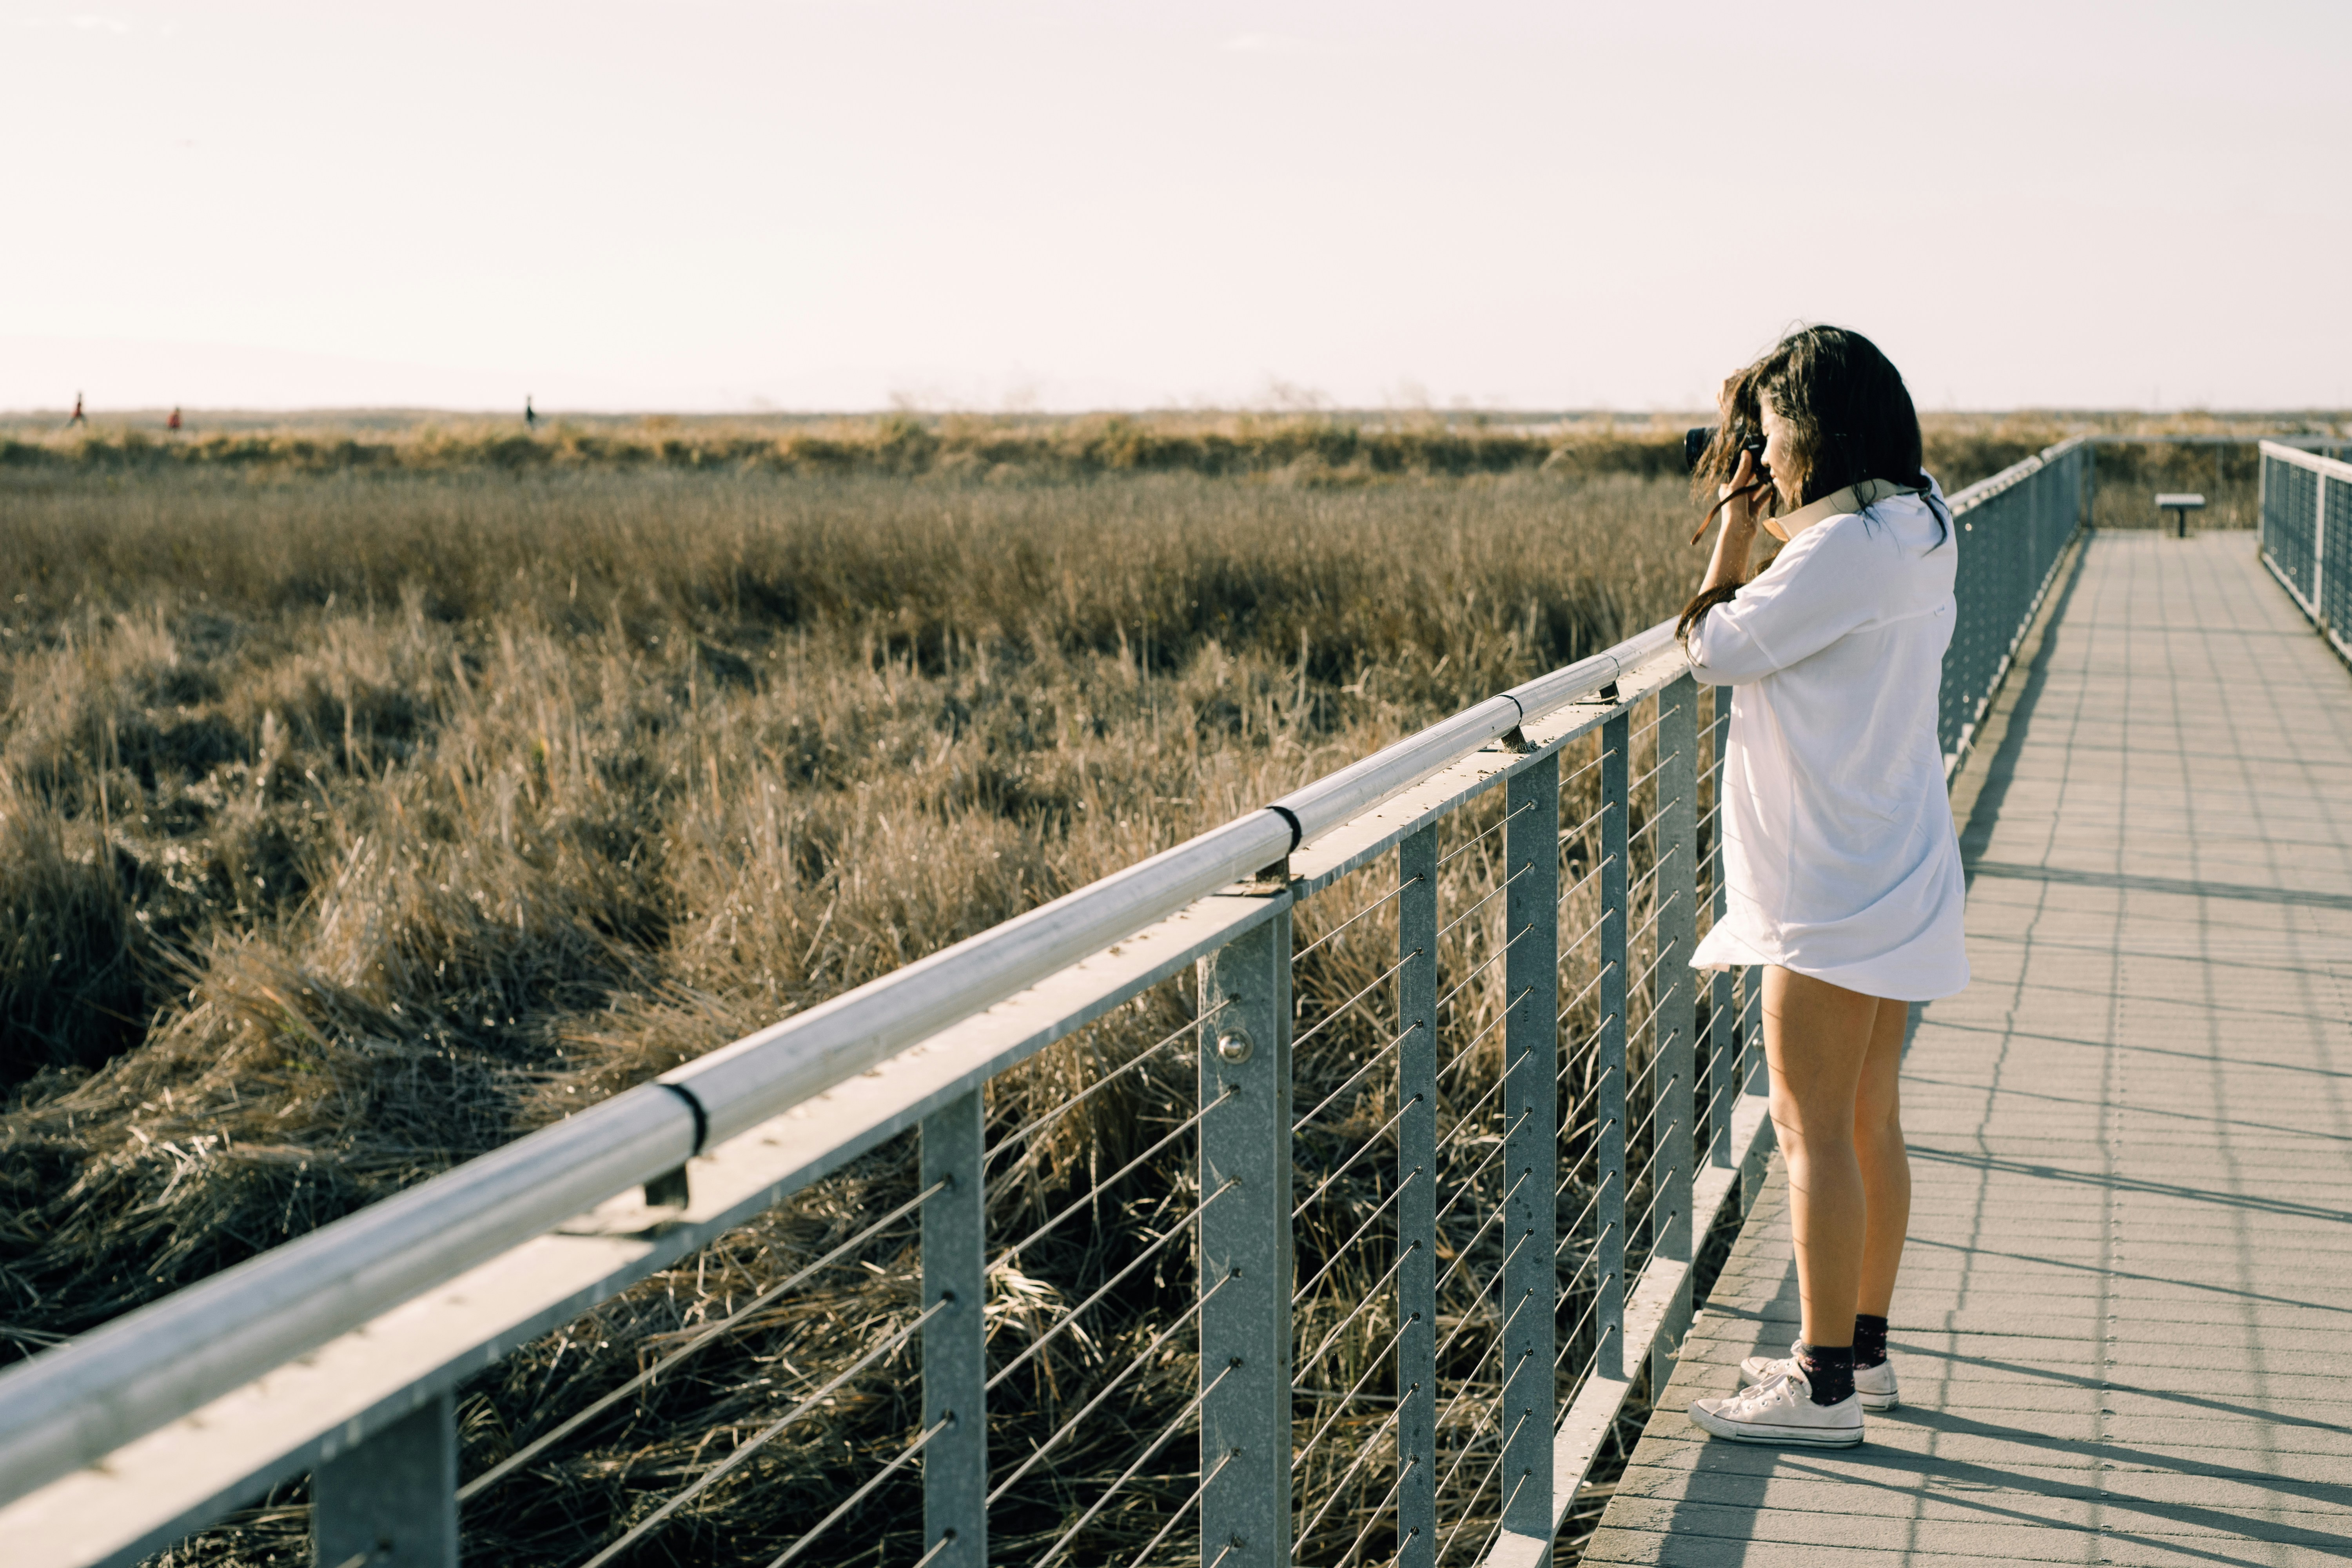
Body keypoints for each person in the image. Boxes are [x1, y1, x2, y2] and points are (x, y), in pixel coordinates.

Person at [1676, 325, 1967, 1448]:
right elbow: (1833, 567)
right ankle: (1863, 1350)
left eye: (1775, 431)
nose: (1765, 448)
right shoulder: (1921, 520)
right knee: (1868, 1116)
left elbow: (1716, 650)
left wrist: (1735, 532)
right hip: (1895, 854)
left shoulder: (1837, 556)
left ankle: (1822, 1389)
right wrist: (1783, 512)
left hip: (1827, 879)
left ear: (1815, 430)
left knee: (1810, 1132)